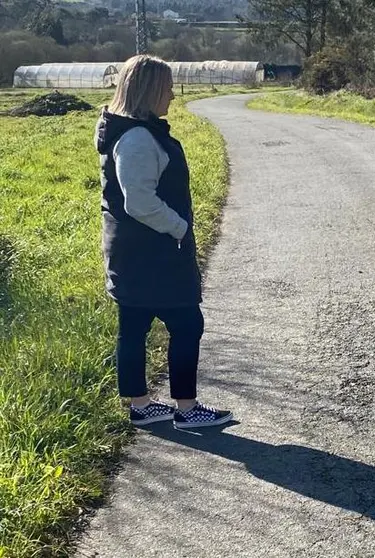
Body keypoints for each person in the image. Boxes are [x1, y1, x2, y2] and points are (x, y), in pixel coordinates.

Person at [94, 55, 232, 429]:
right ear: (150, 91)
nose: (172, 94)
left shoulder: (128, 130)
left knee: (134, 325)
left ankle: (141, 406)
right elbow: (138, 200)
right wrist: (179, 227)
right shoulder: (138, 138)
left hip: (132, 251)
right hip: (154, 252)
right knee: (187, 323)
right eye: (167, 88)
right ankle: (186, 410)